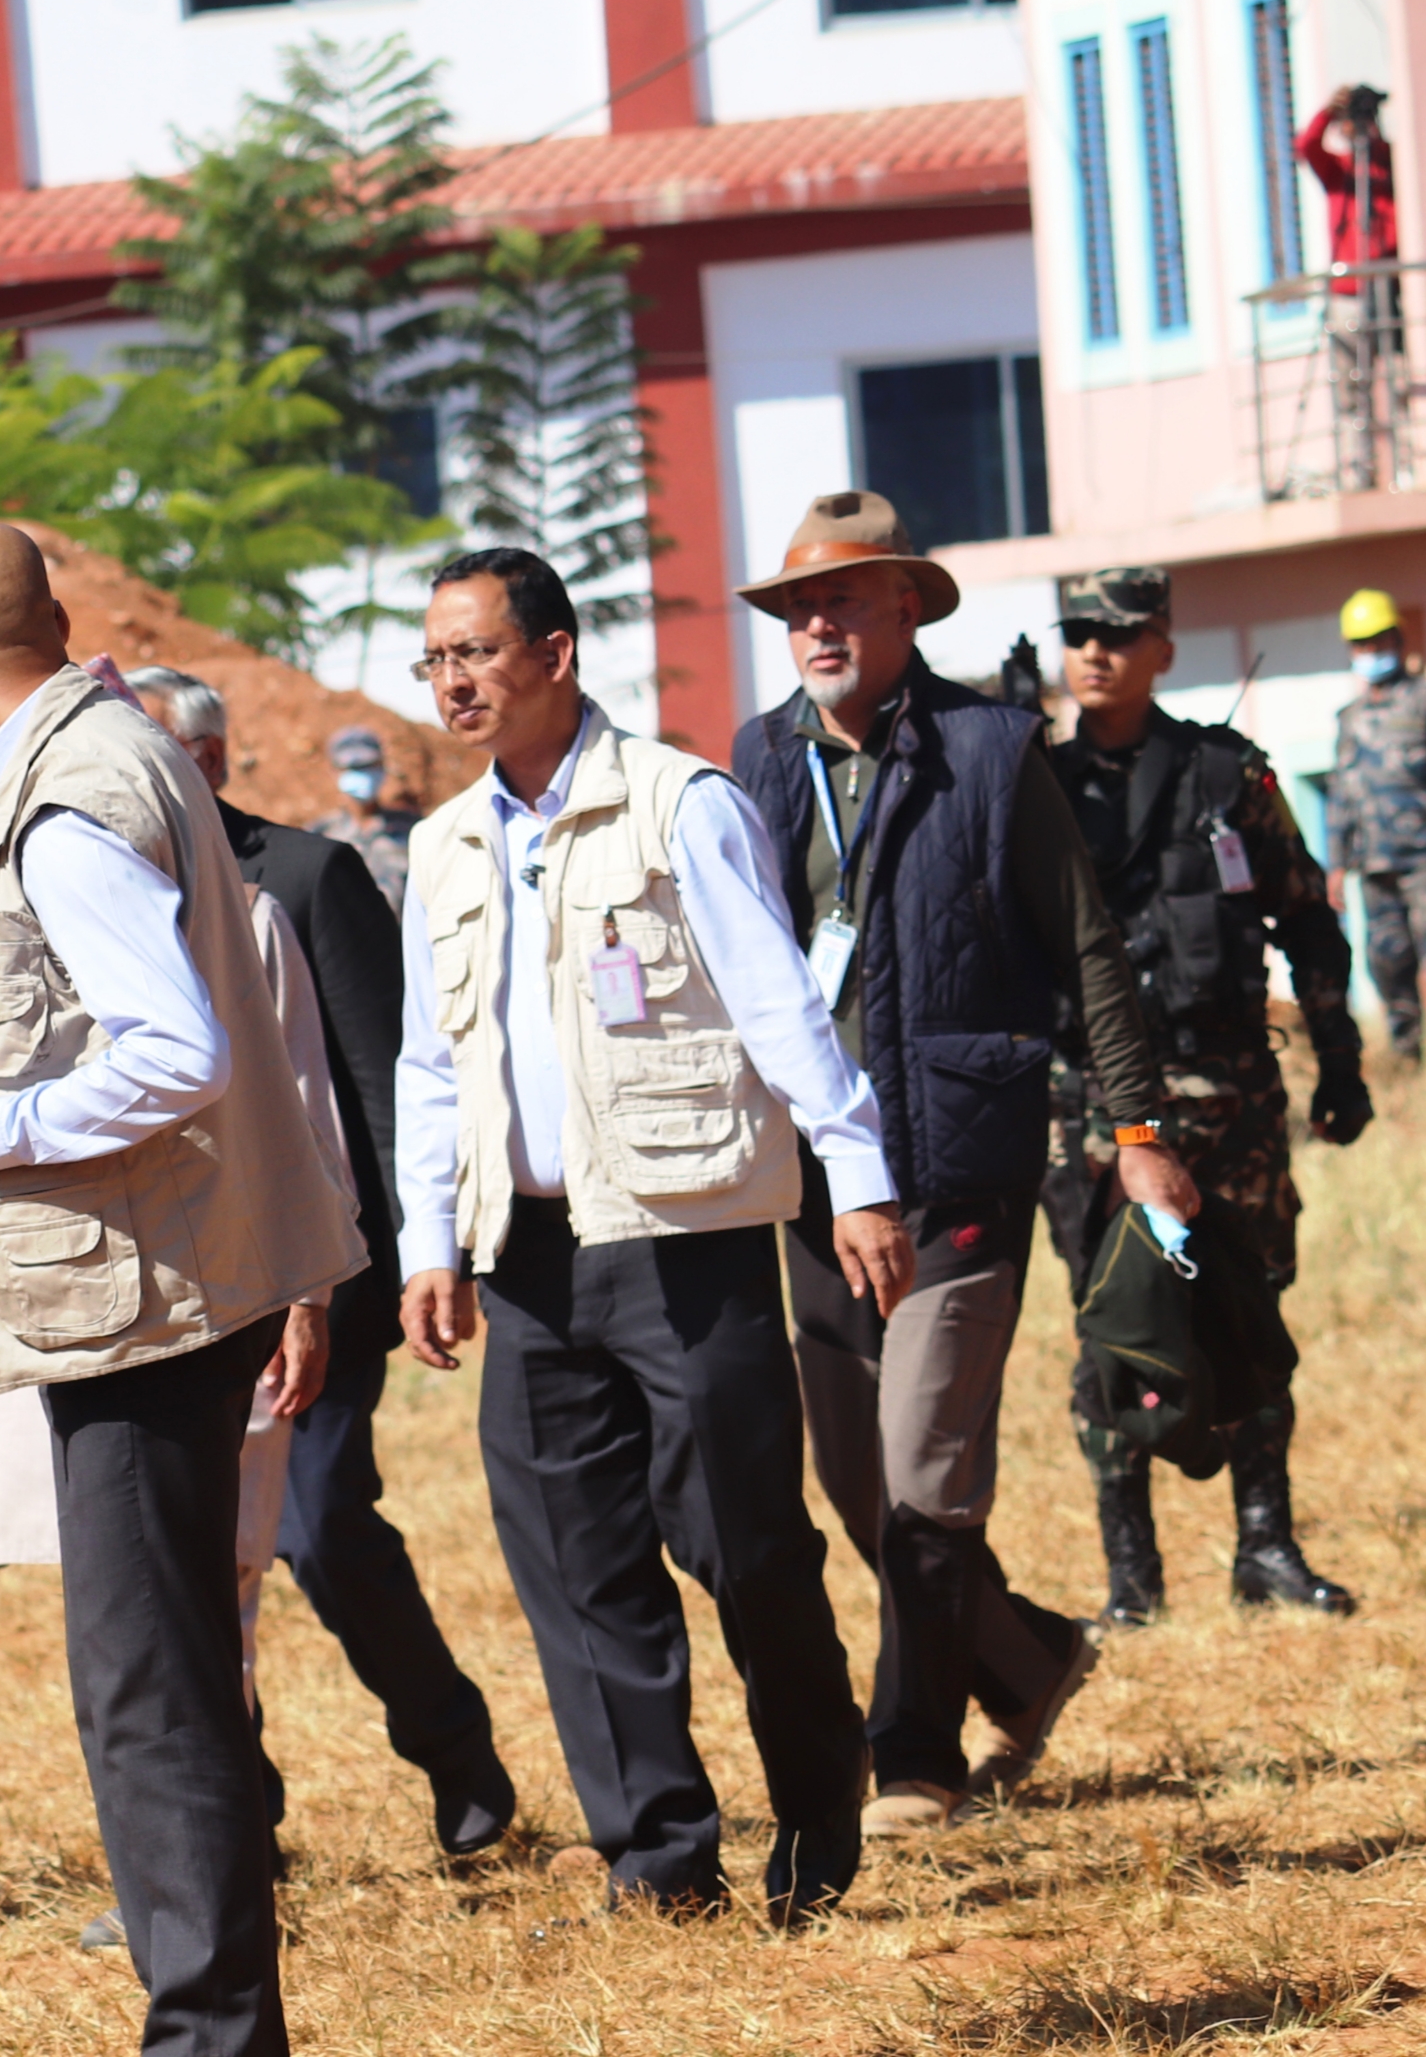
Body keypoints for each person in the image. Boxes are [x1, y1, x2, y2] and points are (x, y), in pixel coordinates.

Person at [0, 524, 364, 2057]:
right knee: (166, 1680)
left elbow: (172, 1052)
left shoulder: (70, 805)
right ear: (64, 621)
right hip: (161, 1284)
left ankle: (209, 2033)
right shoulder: (119, 752)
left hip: (137, 1305)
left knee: (149, 1696)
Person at [392, 547, 889, 1922]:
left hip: (684, 1238)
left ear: (554, 654)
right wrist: (429, 1240)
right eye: (433, 660)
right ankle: (660, 1858)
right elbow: (431, 1063)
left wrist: (858, 1175)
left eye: (475, 652)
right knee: (572, 1558)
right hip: (531, 1257)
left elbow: (776, 1000)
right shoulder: (440, 848)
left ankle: (816, 1808)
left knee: (745, 1544)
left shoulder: (680, 805)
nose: (452, 682)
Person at [727, 491, 1195, 1836]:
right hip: (816, 1185)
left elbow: (1086, 942)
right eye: (799, 606)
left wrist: (1138, 1129)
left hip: (962, 1164)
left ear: (906, 611)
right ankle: (1032, 1656)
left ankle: (914, 1756)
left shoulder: (992, 754)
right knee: (856, 1482)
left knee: (927, 1467)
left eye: (844, 600)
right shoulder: (754, 766)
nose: (817, 623)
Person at [124, 668, 517, 1864]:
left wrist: (413, 1257)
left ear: (207, 761)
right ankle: (241, 1824)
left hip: (324, 1273)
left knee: (319, 1519)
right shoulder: (108, 891)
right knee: (189, 1554)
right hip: (184, 1284)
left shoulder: (304, 875)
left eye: (152, 754)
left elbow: (387, 1075)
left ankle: (455, 1754)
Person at [1037, 568, 1374, 1630]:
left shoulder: (1226, 776)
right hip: (1091, 1101)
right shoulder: (1027, 786)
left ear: (1162, 649)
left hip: (1228, 1093)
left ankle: (1264, 1549)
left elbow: (1306, 919)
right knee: (1112, 1329)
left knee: (1248, 1314)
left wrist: (1340, 1058)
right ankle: (1130, 1583)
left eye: (1119, 633)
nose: (1095, 651)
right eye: (1079, 631)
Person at [1327, 588, 1426, 1072]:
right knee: (1388, 967)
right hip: (1374, 867)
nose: (1371, 652)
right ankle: (1407, 1063)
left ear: (1397, 638)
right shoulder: (1349, 719)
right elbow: (1340, 794)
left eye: (1378, 640)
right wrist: (1335, 864)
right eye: (1361, 644)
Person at [1301, 84, 1404, 490]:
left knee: (1397, 378)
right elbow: (1307, 145)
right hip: (1348, 291)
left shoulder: (1388, 164)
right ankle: (1358, 471)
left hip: (1388, 286)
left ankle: (1404, 465)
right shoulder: (1340, 170)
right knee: (1349, 386)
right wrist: (1330, 109)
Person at [317, 724, 420, 912]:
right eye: (352, 767)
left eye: (368, 766)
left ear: (382, 766)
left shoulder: (415, 830)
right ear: (334, 771)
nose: (362, 774)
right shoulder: (320, 836)